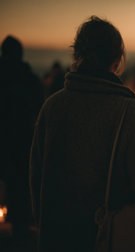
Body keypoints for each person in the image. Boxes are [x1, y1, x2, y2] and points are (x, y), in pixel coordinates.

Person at [29, 16, 135, 251]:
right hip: (108, 239)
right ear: (117, 60)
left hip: (55, 238)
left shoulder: (52, 106)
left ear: (77, 55)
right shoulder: (130, 111)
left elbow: (36, 178)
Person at [0, 35, 43, 250]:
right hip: (22, 144)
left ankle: (19, 230)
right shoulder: (28, 79)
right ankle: (21, 230)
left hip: (10, 143)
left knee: (17, 186)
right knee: (20, 188)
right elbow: (39, 108)